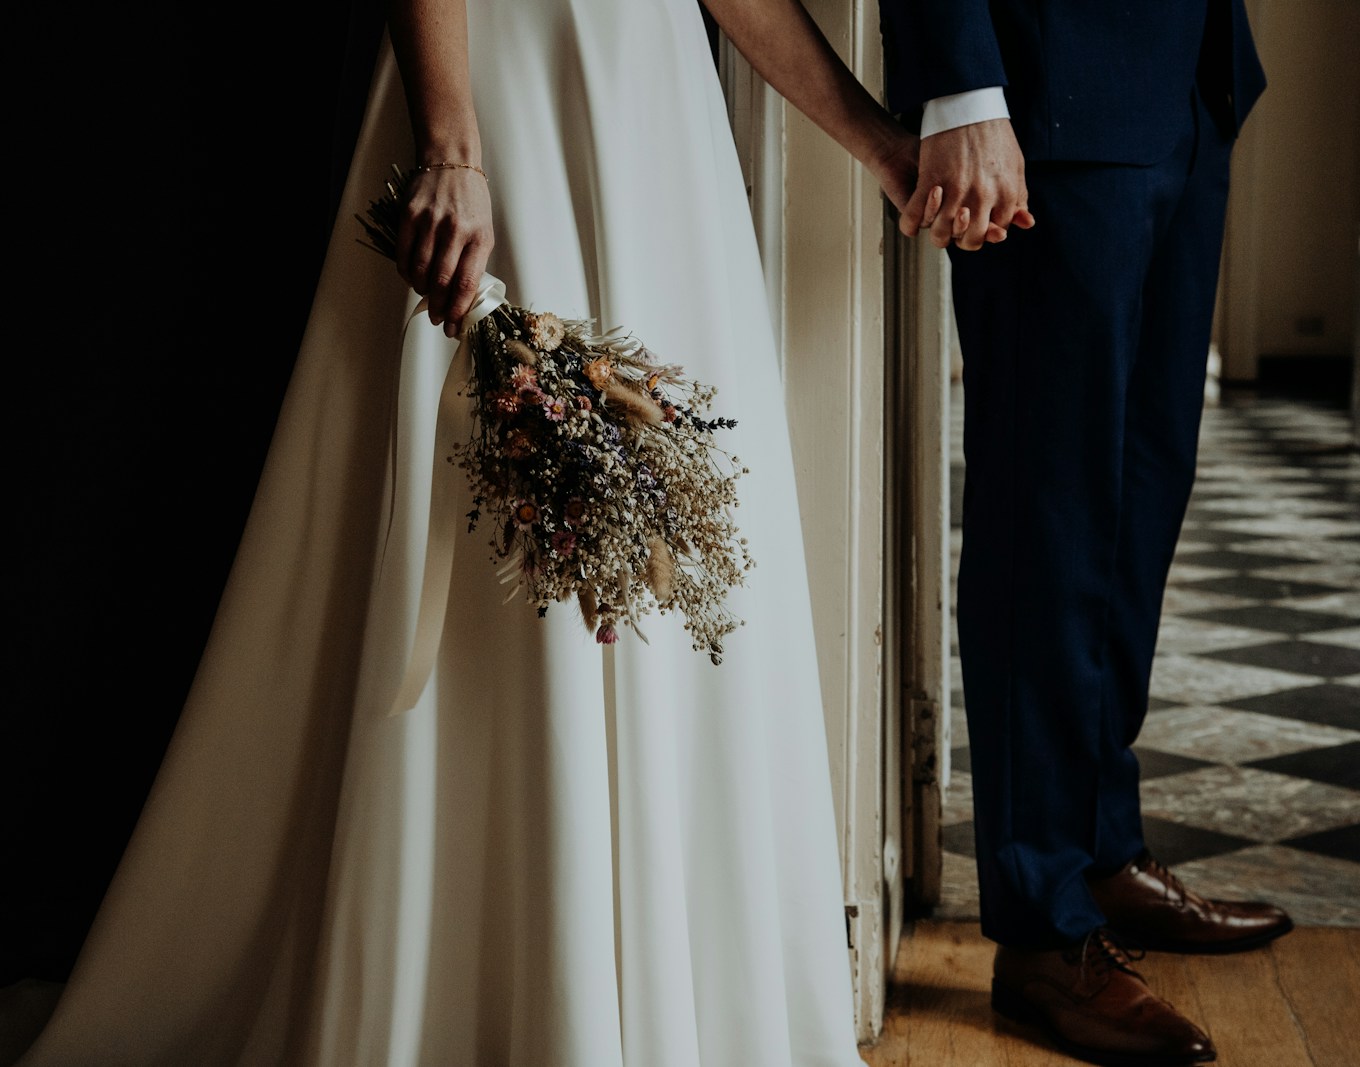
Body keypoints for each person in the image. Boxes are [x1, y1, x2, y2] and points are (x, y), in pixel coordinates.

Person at [15, 1, 919, 1064]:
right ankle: (495, 990)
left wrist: (877, 140)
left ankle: (663, 1001)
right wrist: (451, 139)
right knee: (503, 540)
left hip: (652, 109)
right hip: (502, 94)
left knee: (660, 549)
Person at [877, 2, 1293, 1065]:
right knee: (1047, 520)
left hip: (1188, 81)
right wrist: (962, 82)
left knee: (1139, 498)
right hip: (1044, 92)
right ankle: (1044, 926)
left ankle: (1101, 849)